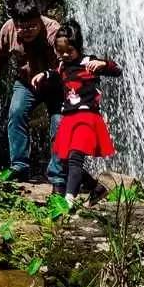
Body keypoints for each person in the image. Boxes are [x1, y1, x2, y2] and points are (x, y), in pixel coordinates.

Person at [40, 19, 120, 205]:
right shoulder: (62, 66)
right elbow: (55, 74)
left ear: (79, 47)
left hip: (87, 117)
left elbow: (117, 70)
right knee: (65, 161)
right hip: (69, 118)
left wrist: (103, 63)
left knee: (75, 157)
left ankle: (68, 200)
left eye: (69, 51)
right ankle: (96, 188)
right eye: (60, 52)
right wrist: (43, 75)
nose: (65, 55)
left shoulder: (89, 62)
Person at [0, 0, 63, 181]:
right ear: (15, 23)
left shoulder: (53, 30)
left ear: (40, 21)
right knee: (16, 112)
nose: (26, 31)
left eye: (32, 26)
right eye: (22, 27)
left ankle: (58, 174)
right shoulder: (8, 29)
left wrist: (49, 74)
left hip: (56, 84)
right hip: (27, 83)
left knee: (60, 124)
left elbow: (67, 62)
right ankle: (19, 166)